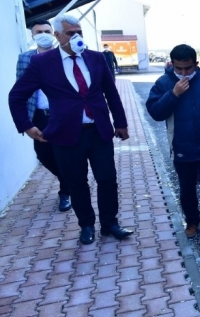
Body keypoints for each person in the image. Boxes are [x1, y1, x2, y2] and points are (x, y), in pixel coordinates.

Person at [8, 13, 132, 245]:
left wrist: (121, 123)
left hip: (99, 131)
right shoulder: (42, 63)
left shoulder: (96, 58)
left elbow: (111, 93)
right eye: (70, 33)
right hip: (66, 135)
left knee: (107, 179)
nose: (76, 37)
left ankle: (110, 224)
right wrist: (26, 126)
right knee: (77, 182)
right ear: (57, 35)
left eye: (79, 32)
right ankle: (86, 225)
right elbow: (16, 96)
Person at [146, 44, 200, 254]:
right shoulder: (163, 83)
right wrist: (173, 94)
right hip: (181, 149)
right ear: (172, 65)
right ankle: (192, 221)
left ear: (196, 63)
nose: (184, 73)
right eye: (179, 69)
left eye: (188, 68)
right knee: (187, 190)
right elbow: (156, 113)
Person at [15, 19, 71, 212]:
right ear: (32, 35)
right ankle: (68, 181)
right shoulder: (25, 59)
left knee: (65, 154)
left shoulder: (64, 55)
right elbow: (20, 90)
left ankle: (65, 191)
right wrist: (25, 121)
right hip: (39, 116)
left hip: (63, 114)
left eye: (47, 31)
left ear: (54, 33)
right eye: (39, 32)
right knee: (44, 155)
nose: (43, 35)